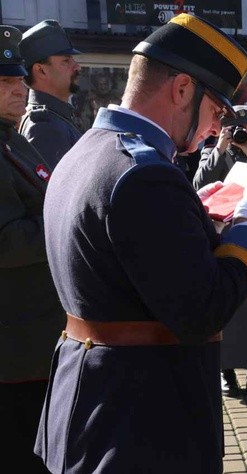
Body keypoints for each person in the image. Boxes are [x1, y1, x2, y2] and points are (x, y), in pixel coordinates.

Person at [35, 14, 247, 474]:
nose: (213, 128)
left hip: (89, 405)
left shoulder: (88, 149)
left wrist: (191, 220)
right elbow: (202, 311)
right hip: (141, 424)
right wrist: (246, 229)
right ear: (182, 88)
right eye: (216, 111)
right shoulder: (146, 175)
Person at [0, 25, 65, 474]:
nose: (18, 90)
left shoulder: (14, 139)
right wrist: (68, 219)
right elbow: (7, 241)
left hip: (37, 342)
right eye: (5, 84)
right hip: (15, 352)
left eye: (19, 80)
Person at [193, 104, 247, 397]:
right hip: (221, 240)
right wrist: (220, 146)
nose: (245, 132)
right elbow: (199, 184)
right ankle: (226, 373)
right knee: (226, 306)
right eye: (237, 127)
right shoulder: (212, 153)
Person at [18, 19, 82, 168]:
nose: (77, 66)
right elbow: (54, 190)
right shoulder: (44, 127)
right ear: (41, 70)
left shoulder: (55, 118)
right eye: (66, 61)